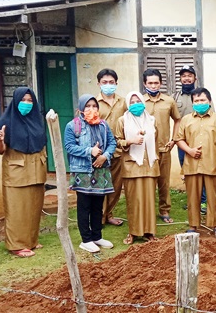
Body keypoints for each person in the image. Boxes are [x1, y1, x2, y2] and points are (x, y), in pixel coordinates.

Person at [0, 87, 48, 258]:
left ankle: (31, 240)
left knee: (34, 207)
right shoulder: (6, 121)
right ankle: (16, 244)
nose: (27, 104)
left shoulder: (37, 119)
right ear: (15, 101)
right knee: (17, 210)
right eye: (23, 100)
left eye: (30, 100)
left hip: (36, 170)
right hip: (16, 172)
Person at [64, 95, 117, 253]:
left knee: (97, 205)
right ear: (80, 108)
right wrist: (90, 151)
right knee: (84, 205)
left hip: (100, 171)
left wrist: (104, 156)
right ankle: (85, 239)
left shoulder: (103, 125)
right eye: (87, 106)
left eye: (94, 106)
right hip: (83, 171)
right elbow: (69, 146)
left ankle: (97, 236)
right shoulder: (73, 126)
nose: (91, 109)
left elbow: (112, 143)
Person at [175, 87, 216, 237]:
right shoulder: (186, 120)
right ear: (192, 103)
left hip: (213, 165)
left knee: (213, 197)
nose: (200, 103)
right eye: (196, 101)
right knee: (193, 197)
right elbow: (178, 139)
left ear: (209, 101)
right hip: (192, 166)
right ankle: (193, 226)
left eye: (202, 100)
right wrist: (190, 151)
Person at [116, 91, 159, 245]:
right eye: (132, 102)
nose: (135, 104)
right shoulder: (122, 120)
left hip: (150, 165)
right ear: (128, 104)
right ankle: (134, 232)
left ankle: (150, 232)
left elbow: (156, 140)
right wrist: (130, 141)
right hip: (131, 165)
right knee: (134, 200)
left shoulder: (152, 120)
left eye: (138, 101)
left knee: (149, 200)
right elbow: (117, 141)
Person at [141, 69, 181, 223]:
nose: (153, 85)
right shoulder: (140, 102)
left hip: (164, 149)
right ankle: (148, 211)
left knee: (163, 182)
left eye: (156, 82)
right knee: (148, 182)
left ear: (161, 83)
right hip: (145, 151)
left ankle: (164, 211)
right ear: (145, 83)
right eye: (150, 83)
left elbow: (177, 119)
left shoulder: (169, 101)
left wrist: (174, 139)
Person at [96, 68, 127, 227]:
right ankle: (99, 216)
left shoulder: (123, 102)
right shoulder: (93, 103)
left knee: (115, 186)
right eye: (105, 82)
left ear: (116, 83)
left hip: (119, 150)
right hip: (100, 152)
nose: (108, 85)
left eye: (111, 82)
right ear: (99, 84)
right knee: (101, 185)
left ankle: (109, 214)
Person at [174, 65, 207, 214]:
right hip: (183, 141)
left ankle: (204, 202)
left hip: (201, 139)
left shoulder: (202, 96)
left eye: (189, 75)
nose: (186, 78)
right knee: (187, 170)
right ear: (180, 79)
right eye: (184, 76)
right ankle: (193, 201)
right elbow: (175, 119)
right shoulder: (175, 97)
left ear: (195, 78)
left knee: (203, 170)